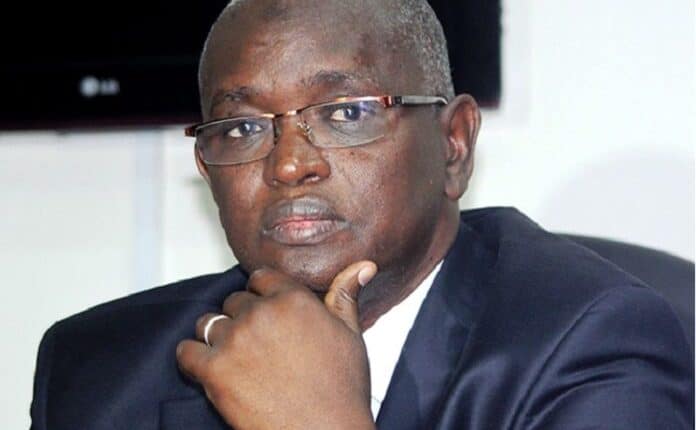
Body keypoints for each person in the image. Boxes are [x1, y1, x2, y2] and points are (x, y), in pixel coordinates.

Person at [30, 1, 693, 429]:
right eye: (242, 128)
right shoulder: (99, 373)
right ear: (208, 168)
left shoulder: (592, 347)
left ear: (454, 144)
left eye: (346, 113)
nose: (290, 164)